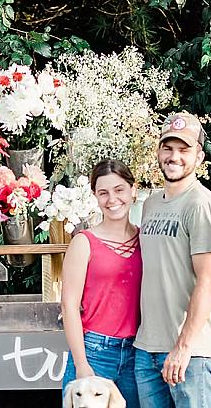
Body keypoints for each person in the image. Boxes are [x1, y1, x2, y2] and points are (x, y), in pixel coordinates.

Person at [134, 112, 211, 408]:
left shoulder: (202, 205)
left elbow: (209, 281)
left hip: (191, 353)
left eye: (184, 150)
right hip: (147, 347)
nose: (174, 157)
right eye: (168, 148)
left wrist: (183, 346)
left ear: (199, 157)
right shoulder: (149, 204)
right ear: (159, 152)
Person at [61, 159, 142, 408]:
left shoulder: (146, 240)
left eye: (119, 190)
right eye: (103, 193)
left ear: (133, 190)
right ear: (95, 196)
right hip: (95, 350)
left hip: (137, 352)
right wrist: (82, 364)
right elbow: (69, 307)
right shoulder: (84, 242)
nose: (112, 199)